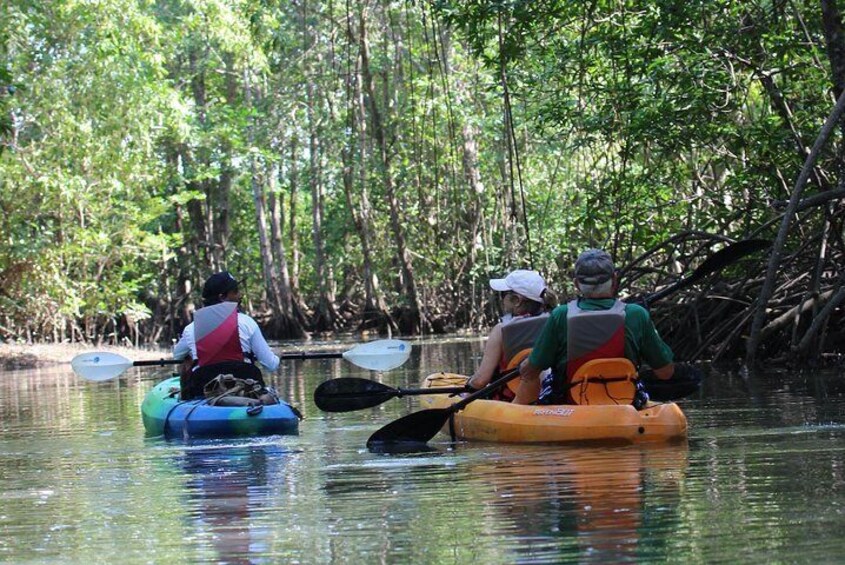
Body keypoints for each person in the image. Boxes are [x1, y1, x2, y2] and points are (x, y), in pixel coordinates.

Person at [514, 249, 675, 405]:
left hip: (570, 407)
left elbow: (531, 372)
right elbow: (666, 372)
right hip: (625, 406)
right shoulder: (637, 315)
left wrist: (524, 365)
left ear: (577, 283)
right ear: (614, 280)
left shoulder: (560, 315)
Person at [173, 271, 280, 400]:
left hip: (203, 390)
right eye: (235, 291)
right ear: (222, 297)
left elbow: (177, 355)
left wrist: (191, 356)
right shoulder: (247, 322)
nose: (239, 295)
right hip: (246, 387)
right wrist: (278, 356)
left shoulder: (191, 328)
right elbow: (271, 365)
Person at [466, 270, 557, 402]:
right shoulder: (555, 322)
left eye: (503, 295)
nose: (501, 300)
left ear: (516, 300)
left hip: (511, 401)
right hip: (549, 395)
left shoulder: (501, 330)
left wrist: (468, 386)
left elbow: (481, 380)